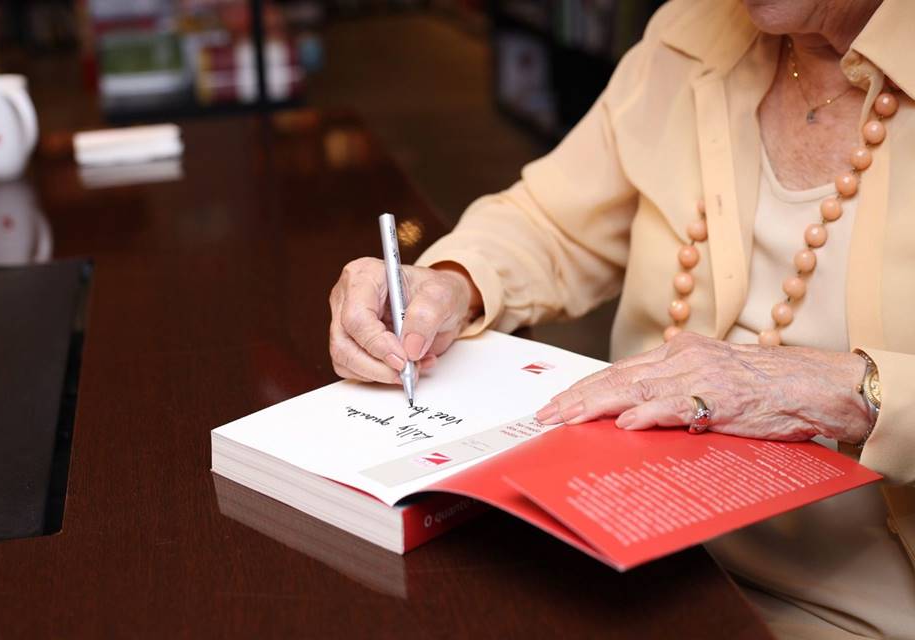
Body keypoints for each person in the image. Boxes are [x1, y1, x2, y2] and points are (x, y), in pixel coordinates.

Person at [327, 0, 915, 637]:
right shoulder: (691, 30)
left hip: (852, 607)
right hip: (626, 553)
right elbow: (552, 221)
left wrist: (850, 391)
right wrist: (449, 283)